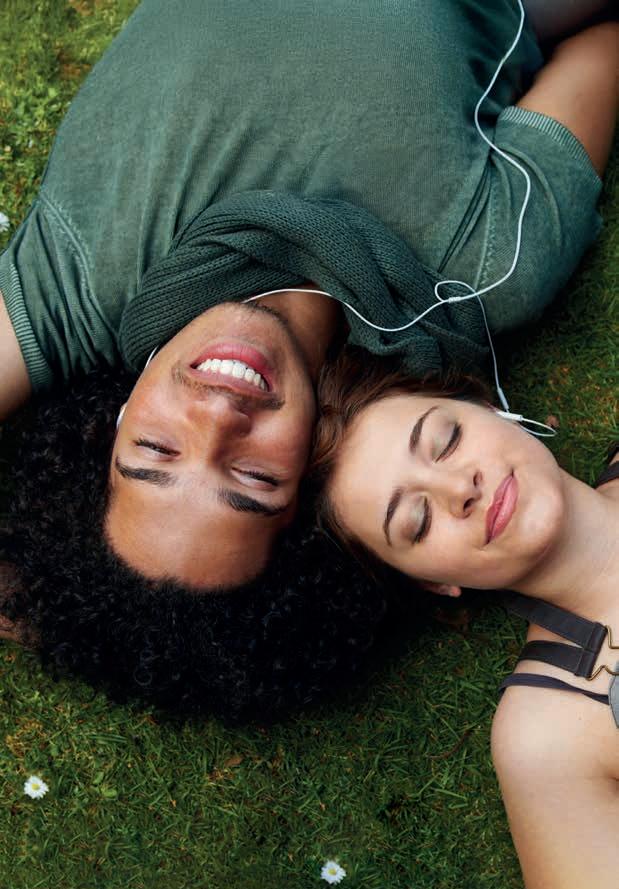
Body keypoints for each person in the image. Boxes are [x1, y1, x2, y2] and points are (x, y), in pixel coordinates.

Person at [0, 2, 616, 719]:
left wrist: (65, 606)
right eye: (252, 478)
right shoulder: (480, 269)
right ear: (308, 476)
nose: (217, 419)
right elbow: (602, 50)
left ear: (113, 420)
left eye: (156, 449)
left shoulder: (73, 287)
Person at [311, 346, 619, 889]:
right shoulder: (546, 741)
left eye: (446, 440)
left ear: (488, 407)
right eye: (418, 521)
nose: (460, 489)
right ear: (433, 583)